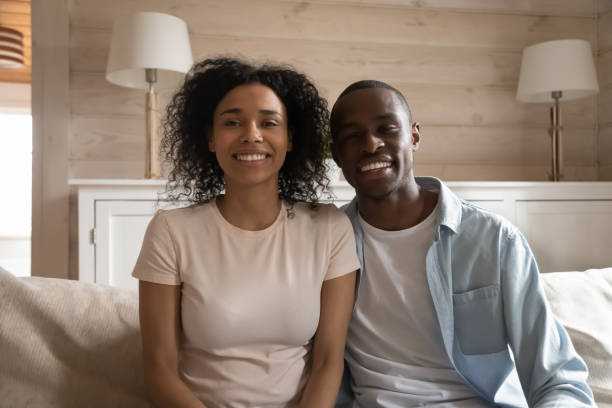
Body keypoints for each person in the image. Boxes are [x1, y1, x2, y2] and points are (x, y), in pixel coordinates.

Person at [329, 80, 595, 407]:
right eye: (353, 136)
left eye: (387, 128)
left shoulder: (493, 239)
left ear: (413, 136)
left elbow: (557, 378)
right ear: (337, 154)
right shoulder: (327, 245)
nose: (372, 144)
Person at [132, 57, 359, 408]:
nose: (252, 134)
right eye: (232, 122)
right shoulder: (171, 230)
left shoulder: (330, 228)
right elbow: (159, 370)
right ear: (210, 137)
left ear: (290, 138)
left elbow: (328, 362)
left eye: (269, 123)